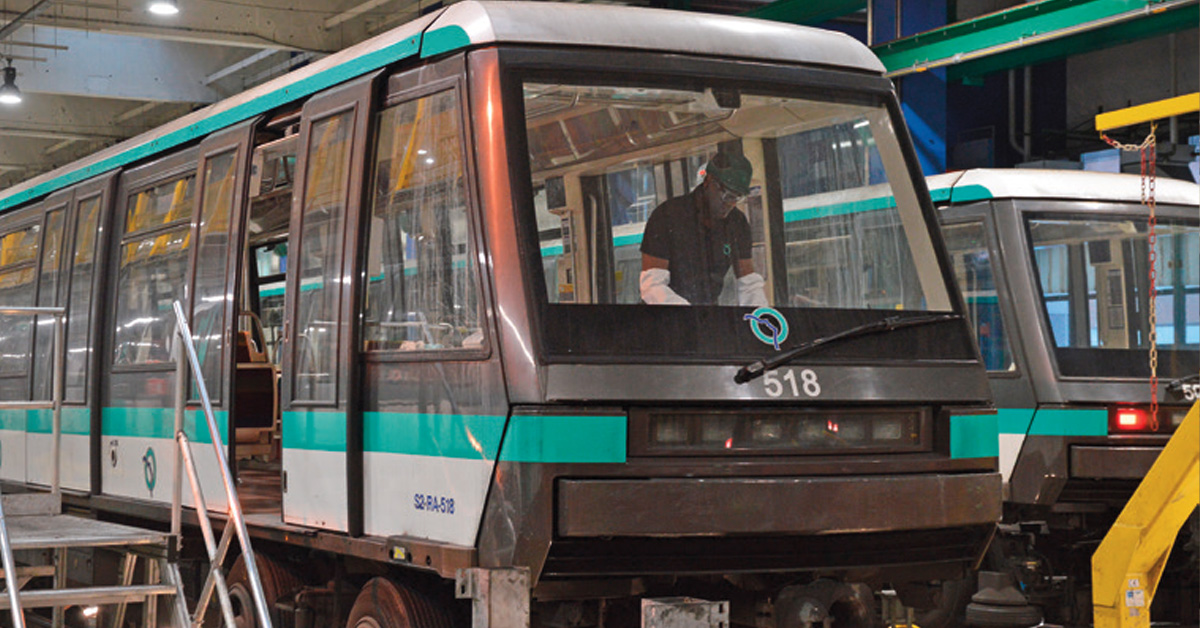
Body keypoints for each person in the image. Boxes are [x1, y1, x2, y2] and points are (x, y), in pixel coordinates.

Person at [639, 151, 768, 306]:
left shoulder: (737, 223)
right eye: (727, 194)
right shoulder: (667, 216)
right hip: (664, 316)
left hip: (707, 313)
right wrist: (689, 317)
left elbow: (748, 283)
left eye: (737, 197)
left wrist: (759, 317)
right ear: (709, 181)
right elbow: (653, 286)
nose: (730, 203)